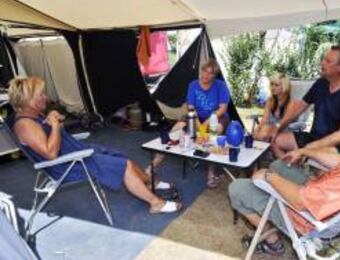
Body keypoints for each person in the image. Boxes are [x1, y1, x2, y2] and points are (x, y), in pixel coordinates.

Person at [229, 99, 340, 255]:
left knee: (238, 188)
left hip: (308, 219)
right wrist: (306, 151)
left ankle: (273, 243)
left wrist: (267, 176)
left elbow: (300, 202)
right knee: (280, 165)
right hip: (327, 201)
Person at [8, 77, 181, 214]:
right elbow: (51, 154)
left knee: (121, 156)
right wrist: (54, 125)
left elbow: (51, 137)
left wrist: (55, 122)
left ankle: (150, 182)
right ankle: (155, 203)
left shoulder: (34, 115)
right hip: (67, 164)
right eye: (40, 95)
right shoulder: (25, 125)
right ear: (28, 100)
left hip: (75, 152)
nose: (45, 97)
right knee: (124, 166)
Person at [148, 59, 231, 189]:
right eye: (204, 71)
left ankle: (211, 172)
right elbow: (191, 108)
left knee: (215, 132)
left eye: (210, 73)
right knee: (175, 130)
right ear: (201, 70)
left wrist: (207, 123)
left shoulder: (220, 86)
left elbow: (222, 109)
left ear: (215, 76)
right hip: (195, 115)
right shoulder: (193, 84)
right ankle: (152, 168)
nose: (206, 75)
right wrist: (197, 123)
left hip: (216, 116)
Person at [272, 45, 340, 158]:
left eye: (328, 61)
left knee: (315, 163)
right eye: (323, 59)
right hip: (315, 138)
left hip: (339, 148)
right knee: (275, 141)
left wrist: (310, 147)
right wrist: (278, 128)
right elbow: (298, 108)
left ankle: (301, 169)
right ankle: (291, 170)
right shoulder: (321, 83)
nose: (322, 63)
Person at [254, 73, 292, 141]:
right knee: (257, 133)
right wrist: (258, 128)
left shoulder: (289, 103)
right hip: (268, 128)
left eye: (276, 85)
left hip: (282, 129)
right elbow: (264, 119)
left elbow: (285, 122)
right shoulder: (270, 100)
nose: (273, 87)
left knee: (264, 132)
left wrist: (271, 128)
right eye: (272, 84)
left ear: (284, 86)